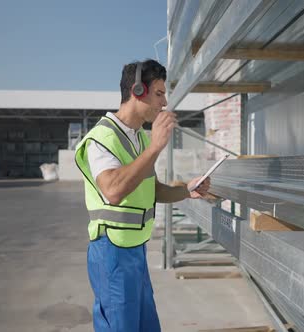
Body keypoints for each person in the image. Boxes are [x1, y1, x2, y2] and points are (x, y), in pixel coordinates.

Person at [75, 59, 211, 331]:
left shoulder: (139, 138)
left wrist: (187, 190)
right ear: (137, 91)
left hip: (135, 249)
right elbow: (113, 190)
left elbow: (152, 189)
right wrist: (156, 147)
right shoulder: (101, 138)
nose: (164, 103)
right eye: (159, 94)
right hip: (111, 251)